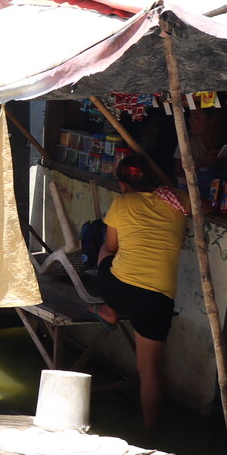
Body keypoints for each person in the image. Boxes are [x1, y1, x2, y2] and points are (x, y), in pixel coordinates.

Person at [89, 159, 188, 433]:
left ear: (123, 184)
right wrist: (173, 192)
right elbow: (203, 206)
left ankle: (109, 309)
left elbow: (111, 246)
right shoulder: (177, 200)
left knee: (104, 254)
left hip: (120, 290)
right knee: (150, 372)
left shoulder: (121, 203)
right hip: (158, 299)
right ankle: (151, 432)